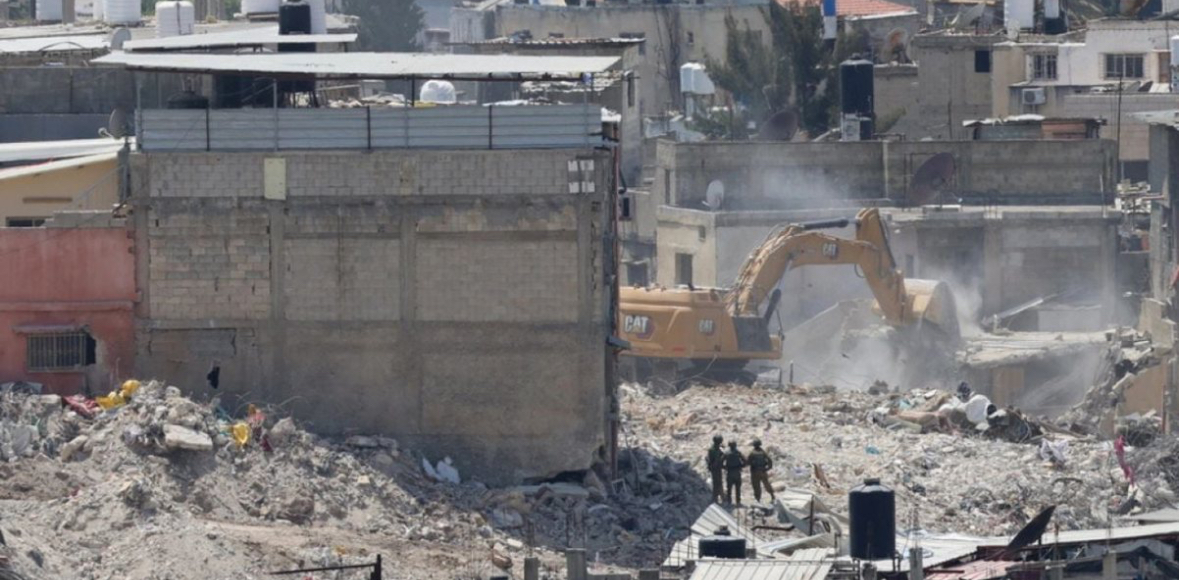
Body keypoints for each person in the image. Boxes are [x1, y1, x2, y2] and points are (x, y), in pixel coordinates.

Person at [722, 441, 746, 505]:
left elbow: (720, 462)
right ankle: (738, 501)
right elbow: (745, 461)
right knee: (738, 488)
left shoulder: (726, 453)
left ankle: (729, 501)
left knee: (729, 488)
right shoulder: (738, 452)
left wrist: (725, 467)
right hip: (737, 472)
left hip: (730, 472)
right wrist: (740, 466)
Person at [706, 435, 725, 504]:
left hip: (716, 468)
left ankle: (719, 497)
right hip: (715, 468)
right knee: (717, 483)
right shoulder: (714, 449)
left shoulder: (714, 449)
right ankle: (716, 498)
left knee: (718, 482)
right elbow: (714, 459)